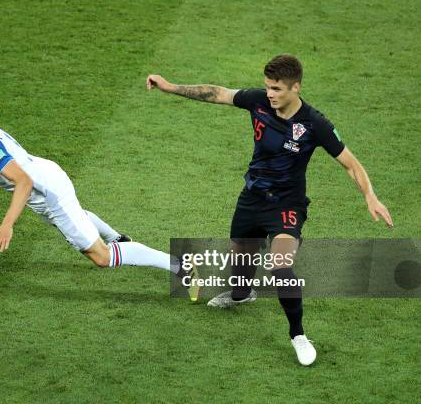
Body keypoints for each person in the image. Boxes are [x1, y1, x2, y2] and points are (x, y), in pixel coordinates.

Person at [146, 54, 393, 366]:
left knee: (280, 265)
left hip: (287, 205)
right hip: (252, 198)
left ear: (295, 87)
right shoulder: (258, 101)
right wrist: (170, 87)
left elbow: (351, 164)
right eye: (268, 87)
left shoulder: (315, 124)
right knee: (241, 255)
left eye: (277, 88)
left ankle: (298, 335)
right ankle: (241, 295)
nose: (270, 94)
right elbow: (218, 93)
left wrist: (370, 195)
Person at [0, 93, 182, 276]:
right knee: (78, 219)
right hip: (46, 181)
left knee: (101, 258)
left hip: (47, 192)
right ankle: (121, 240)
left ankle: (180, 265)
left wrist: (7, 224)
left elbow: (23, 181)